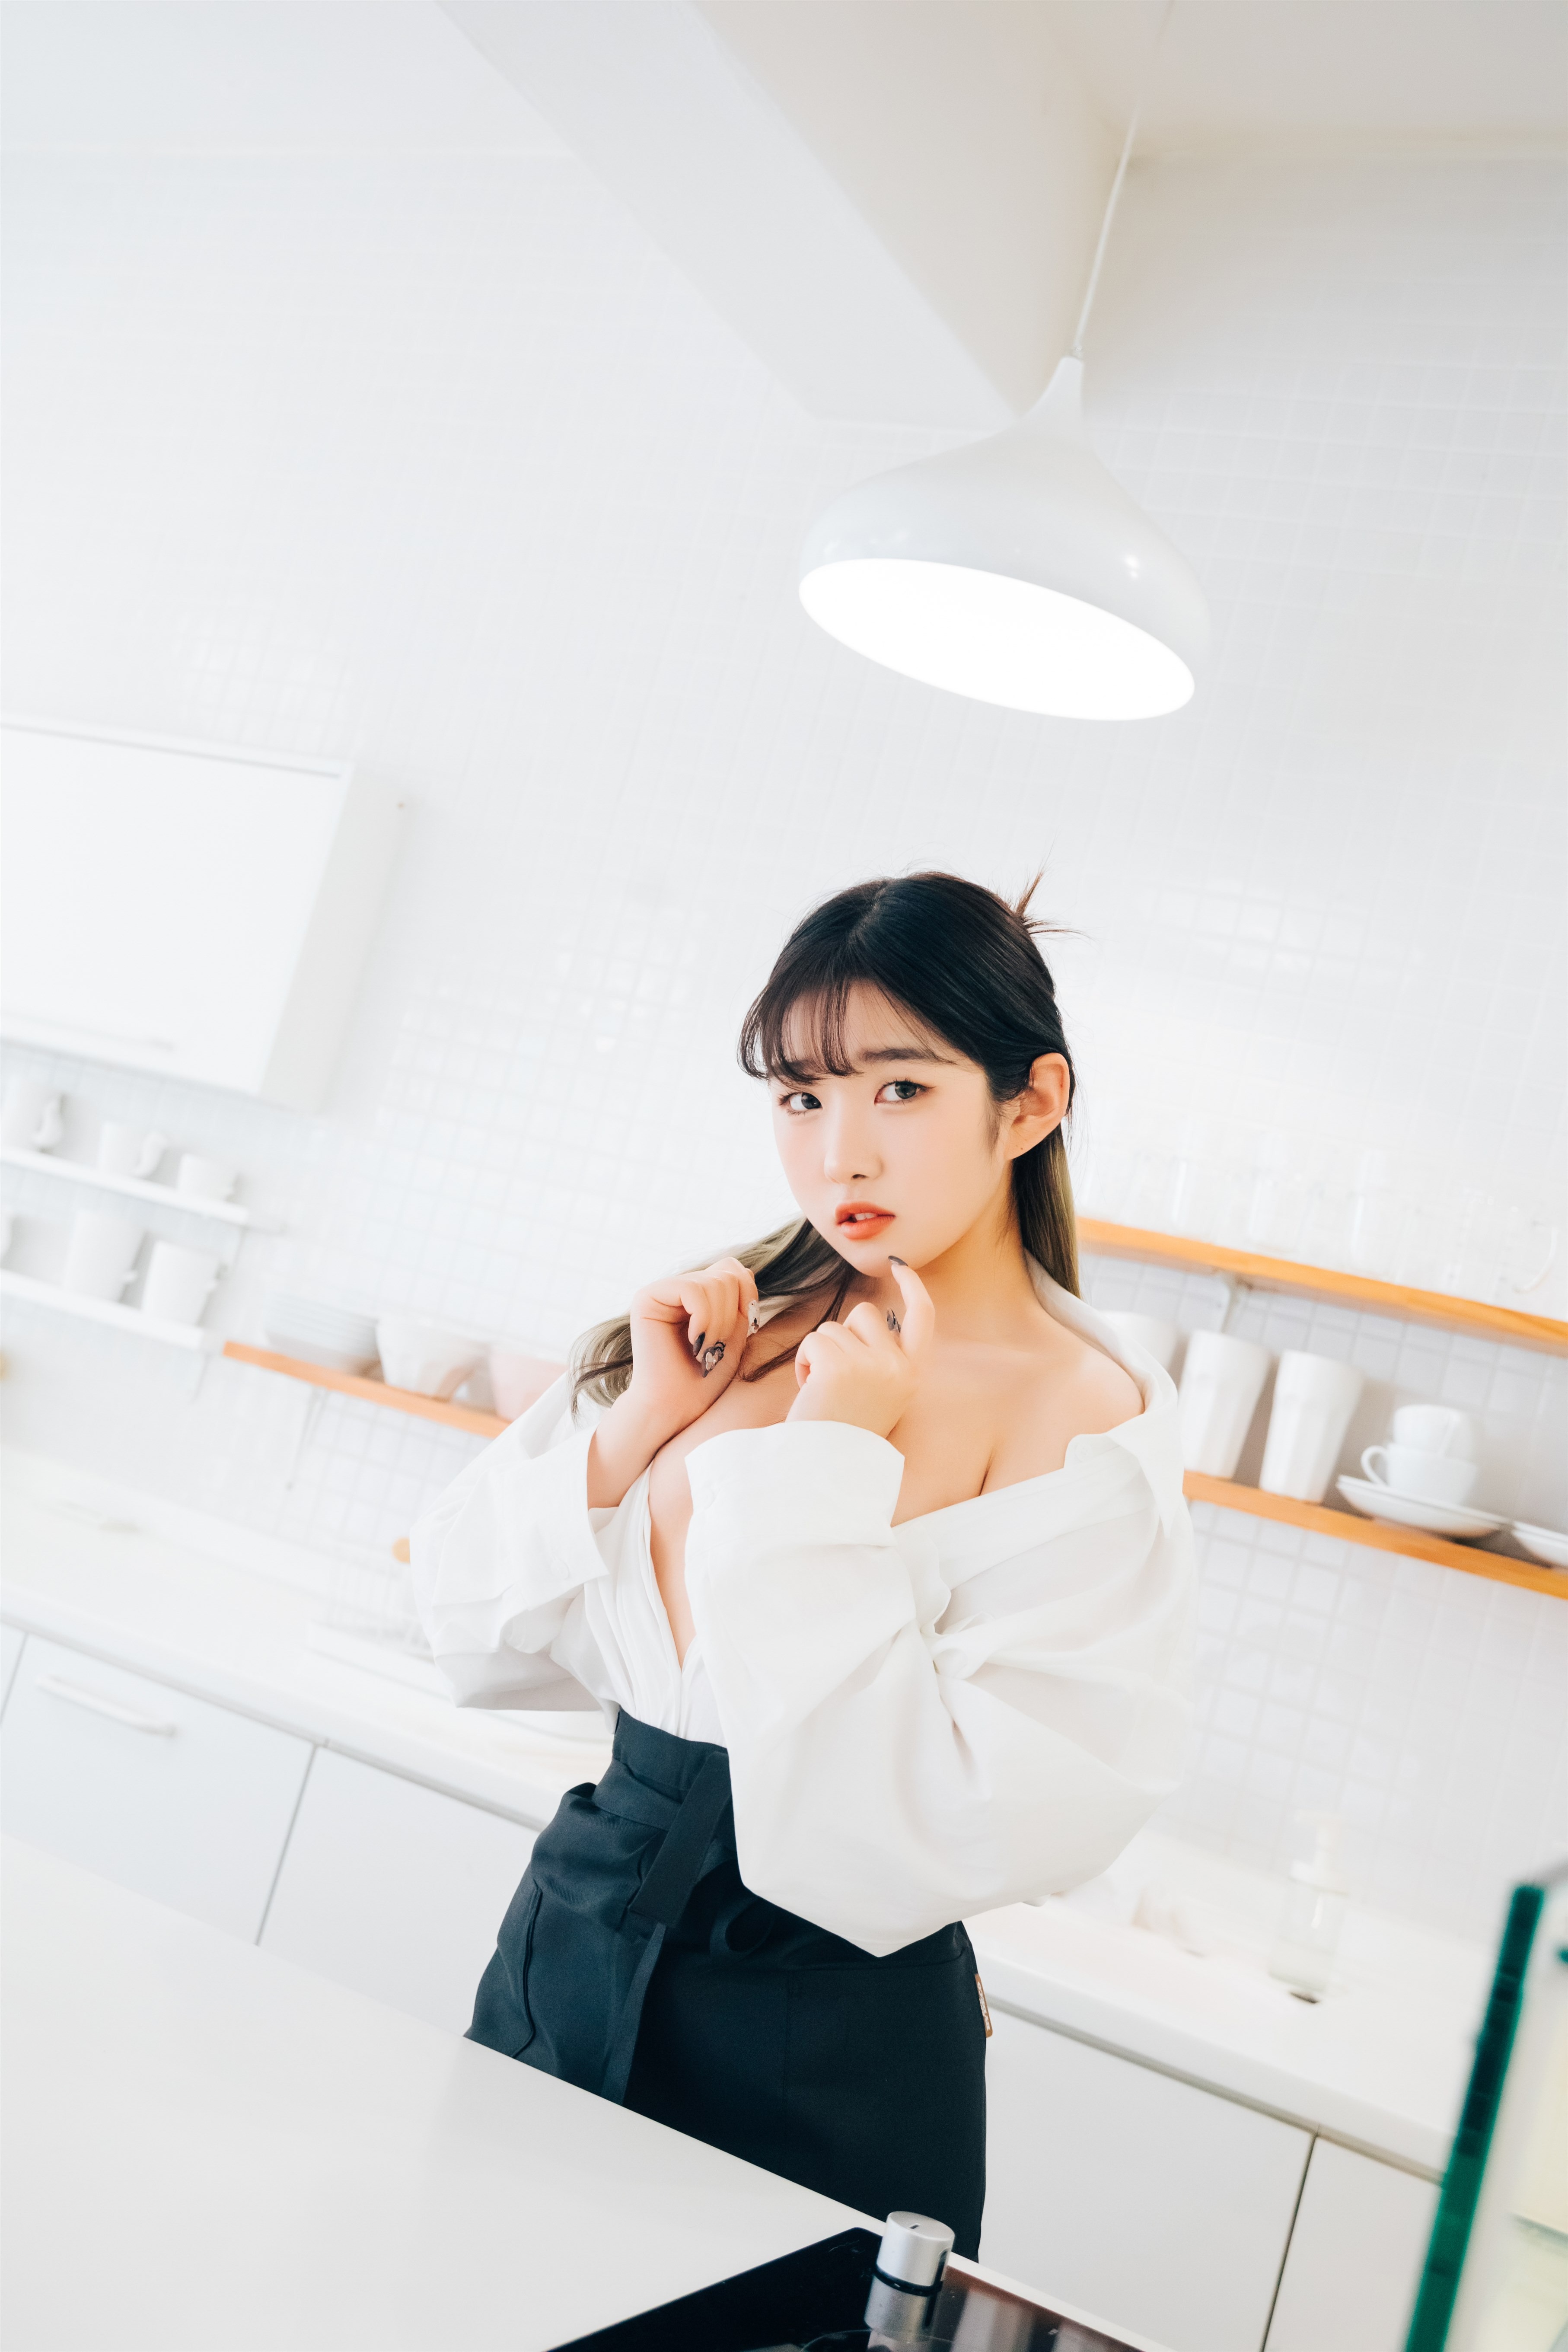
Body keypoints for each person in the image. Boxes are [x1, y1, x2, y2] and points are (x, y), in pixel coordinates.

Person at [409, 871, 1194, 2257]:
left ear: (1028, 1103)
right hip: (574, 1936)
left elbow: (914, 1837)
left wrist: (830, 1459)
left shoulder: (1091, 1423)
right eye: (799, 1097)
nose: (839, 1154)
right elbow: (459, 1622)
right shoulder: (727, 1324)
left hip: (826, 2040)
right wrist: (645, 1417)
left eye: (898, 1091)